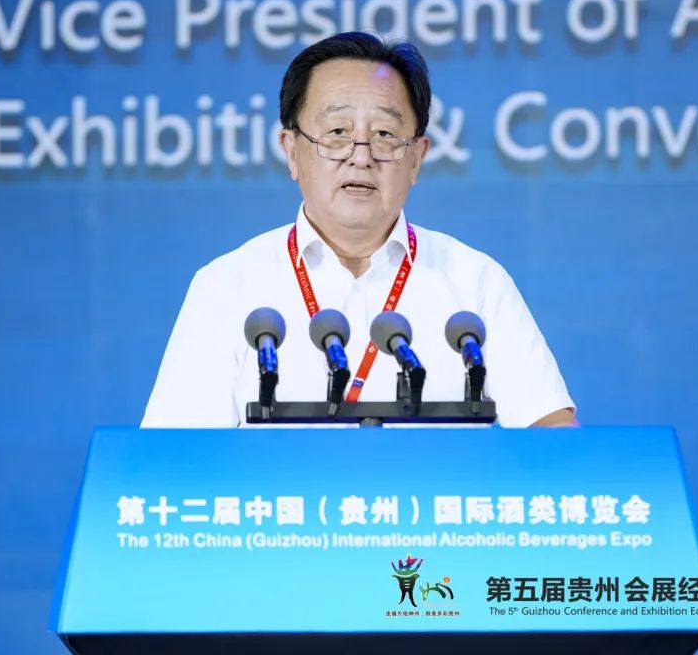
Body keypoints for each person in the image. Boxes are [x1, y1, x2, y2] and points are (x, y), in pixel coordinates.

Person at [142, 32, 575, 429]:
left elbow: (555, 441)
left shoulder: (475, 282)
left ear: (417, 158)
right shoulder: (227, 286)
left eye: (385, 133)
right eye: (337, 132)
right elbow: (173, 461)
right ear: (291, 151)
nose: (361, 156)